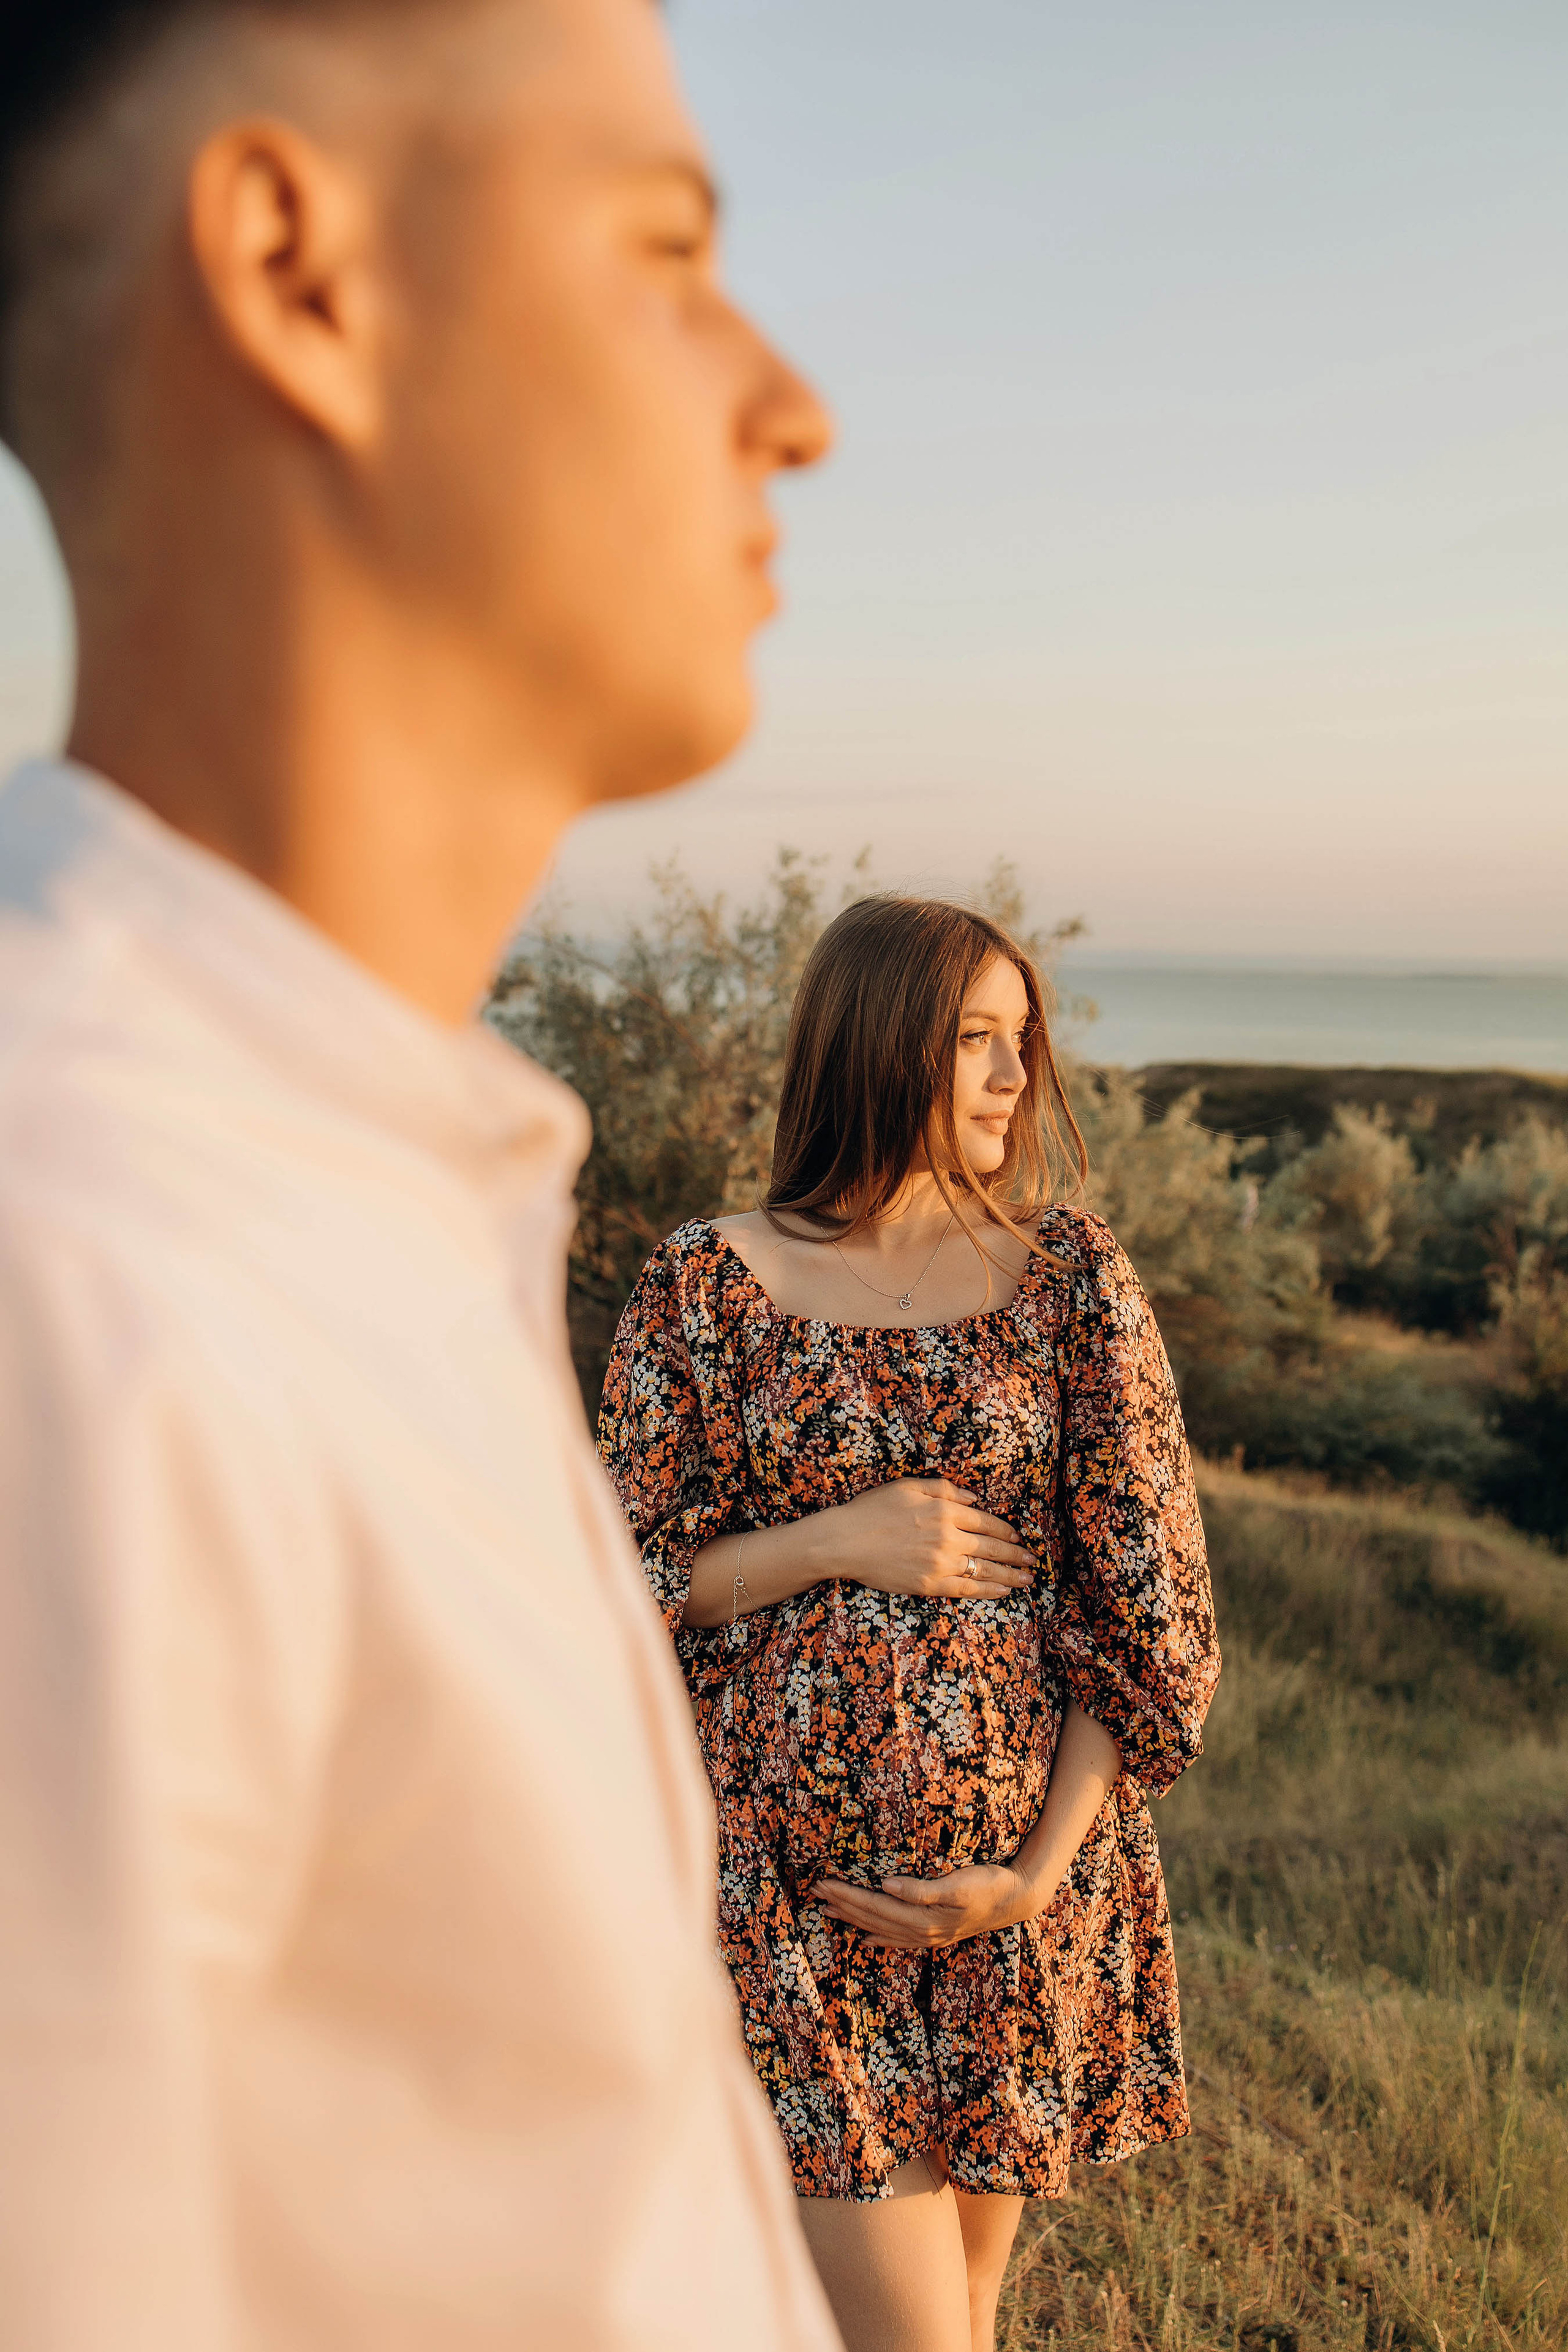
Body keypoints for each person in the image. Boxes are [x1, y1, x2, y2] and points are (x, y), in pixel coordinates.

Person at [0, 3, 840, 2348]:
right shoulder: (77, 1277)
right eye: (669, 255)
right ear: (300, 275)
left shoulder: (340, 1189)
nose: (795, 402)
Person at [599, 895, 1223, 2352]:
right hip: (779, 1902)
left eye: (1023, 1041)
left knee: (967, 2308)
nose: (1017, 1078)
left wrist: (1032, 1874)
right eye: (975, 1042)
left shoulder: (1068, 1278)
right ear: (878, 1044)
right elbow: (605, 1576)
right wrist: (830, 1542)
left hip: (1012, 1902)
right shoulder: (707, 1285)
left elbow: (1149, 1619)